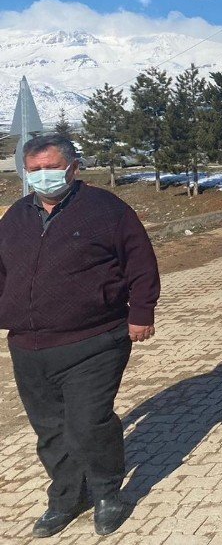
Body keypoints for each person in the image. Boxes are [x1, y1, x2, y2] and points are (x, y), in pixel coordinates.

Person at [0, 134, 160, 538]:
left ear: (72, 167)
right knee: (50, 429)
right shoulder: (16, 216)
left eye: (50, 167)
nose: (42, 176)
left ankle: (108, 493)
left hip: (95, 340)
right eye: (34, 170)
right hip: (28, 344)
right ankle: (68, 497)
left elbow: (140, 262)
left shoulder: (107, 210)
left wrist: (141, 312)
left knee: (88, 424)